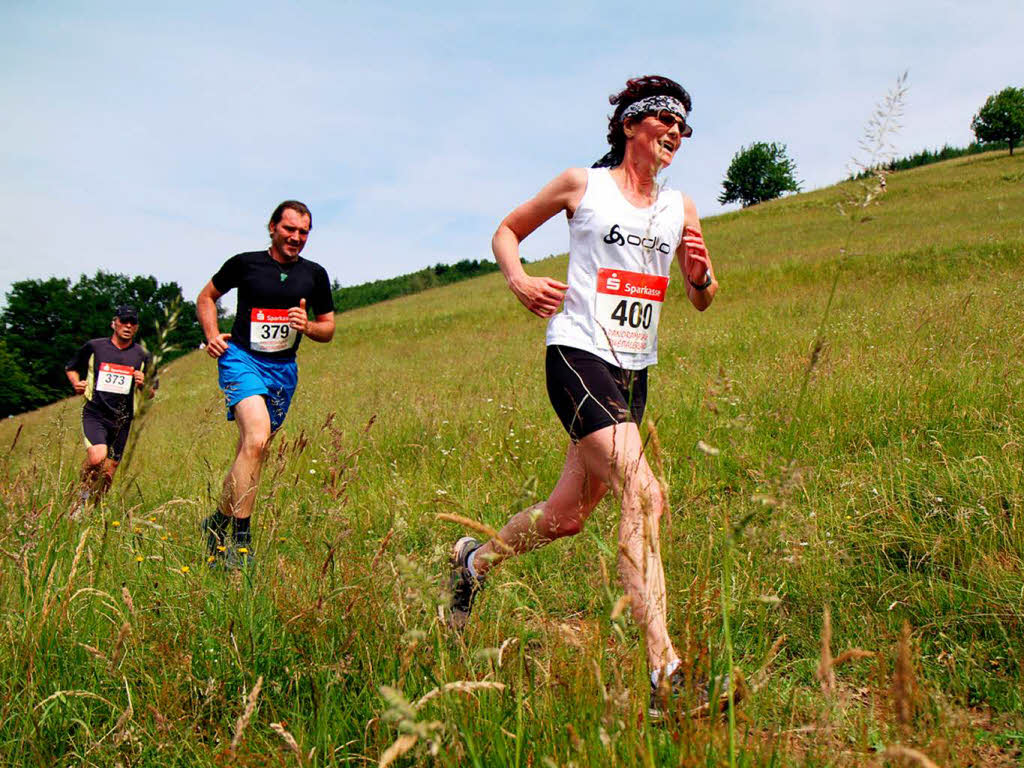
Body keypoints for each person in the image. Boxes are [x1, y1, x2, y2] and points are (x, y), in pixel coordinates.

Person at [448, 75, 720, 718]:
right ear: (631, 126)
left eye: (684, 125)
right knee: (644, 493)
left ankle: (473, 562)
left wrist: (702, 279)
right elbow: (506, 231)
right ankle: (666, 678)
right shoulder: (583, 184)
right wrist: (517, 281)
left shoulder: (680, 208)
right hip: (576, 354)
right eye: (664, 120)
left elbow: (702, 296)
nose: (676, 132)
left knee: (567, 517)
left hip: (634, 370)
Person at [196, 201, 335, 567]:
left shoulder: (315, 275)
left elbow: (328, 328)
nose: (296, 237)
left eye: (303, 232)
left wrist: (308, 327)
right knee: (256, 438)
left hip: (282, 371)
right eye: (289, 229)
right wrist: (211, 334)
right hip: (241, 359)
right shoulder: (245, 263)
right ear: (272, 227)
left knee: (253, 450)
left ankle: (216, 524)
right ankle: (241, 542)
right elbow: (206, 297)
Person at [65, 305, 153, 514]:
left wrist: (144, 384)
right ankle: (79, 500)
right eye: (124, 321)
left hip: (123, 419)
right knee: (97, 457)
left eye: (133, 322)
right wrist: (76, 383)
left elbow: (152, 391)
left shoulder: (143, 355)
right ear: (114, 323)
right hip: (95, 413)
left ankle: (91, 508)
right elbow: (71, 368)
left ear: (137, 327)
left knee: (109, 472)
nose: (128, 325)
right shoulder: (95, 347)